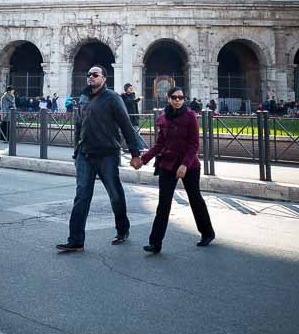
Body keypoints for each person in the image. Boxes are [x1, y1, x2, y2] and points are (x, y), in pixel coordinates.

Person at [57, 66, 141, 252]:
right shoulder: (84, 97)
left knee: (115, 194)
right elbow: (79, 125)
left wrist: (135, 154)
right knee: (81, 197)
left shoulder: (112, 97)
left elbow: (126, 126)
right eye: (88, 75)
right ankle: (75, 239)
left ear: (104, 78)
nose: (90, 77)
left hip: (107, 154)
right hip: (85, 154)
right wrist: (76, 151)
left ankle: (122, 230)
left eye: (95, 75)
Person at [132, 86, 215, 254]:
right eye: (174, 97)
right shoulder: (163, 118)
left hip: (189, 165)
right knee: (163, 203)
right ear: (168, 99)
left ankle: (207, 233)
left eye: (181, 97)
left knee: (195, 199)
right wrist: (143, 160)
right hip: (168, 164)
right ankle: (155, 243)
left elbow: (194, 144)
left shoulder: (190, 116)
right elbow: (159, 144)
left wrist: (185, 165)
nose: (178, 100)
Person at [119, 83, 146, 153]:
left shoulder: (132, 95)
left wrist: (138, 116)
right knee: (129, 134)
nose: (131, 89)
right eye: (130, 88)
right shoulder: (123, 96)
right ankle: (142, 148)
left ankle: (140, 149)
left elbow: (135, 107)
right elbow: (129, 102)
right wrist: (138, 99)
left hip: (134, 118)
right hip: (128, 118)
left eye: (132, 88)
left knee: (136, 134)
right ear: (126, 89)